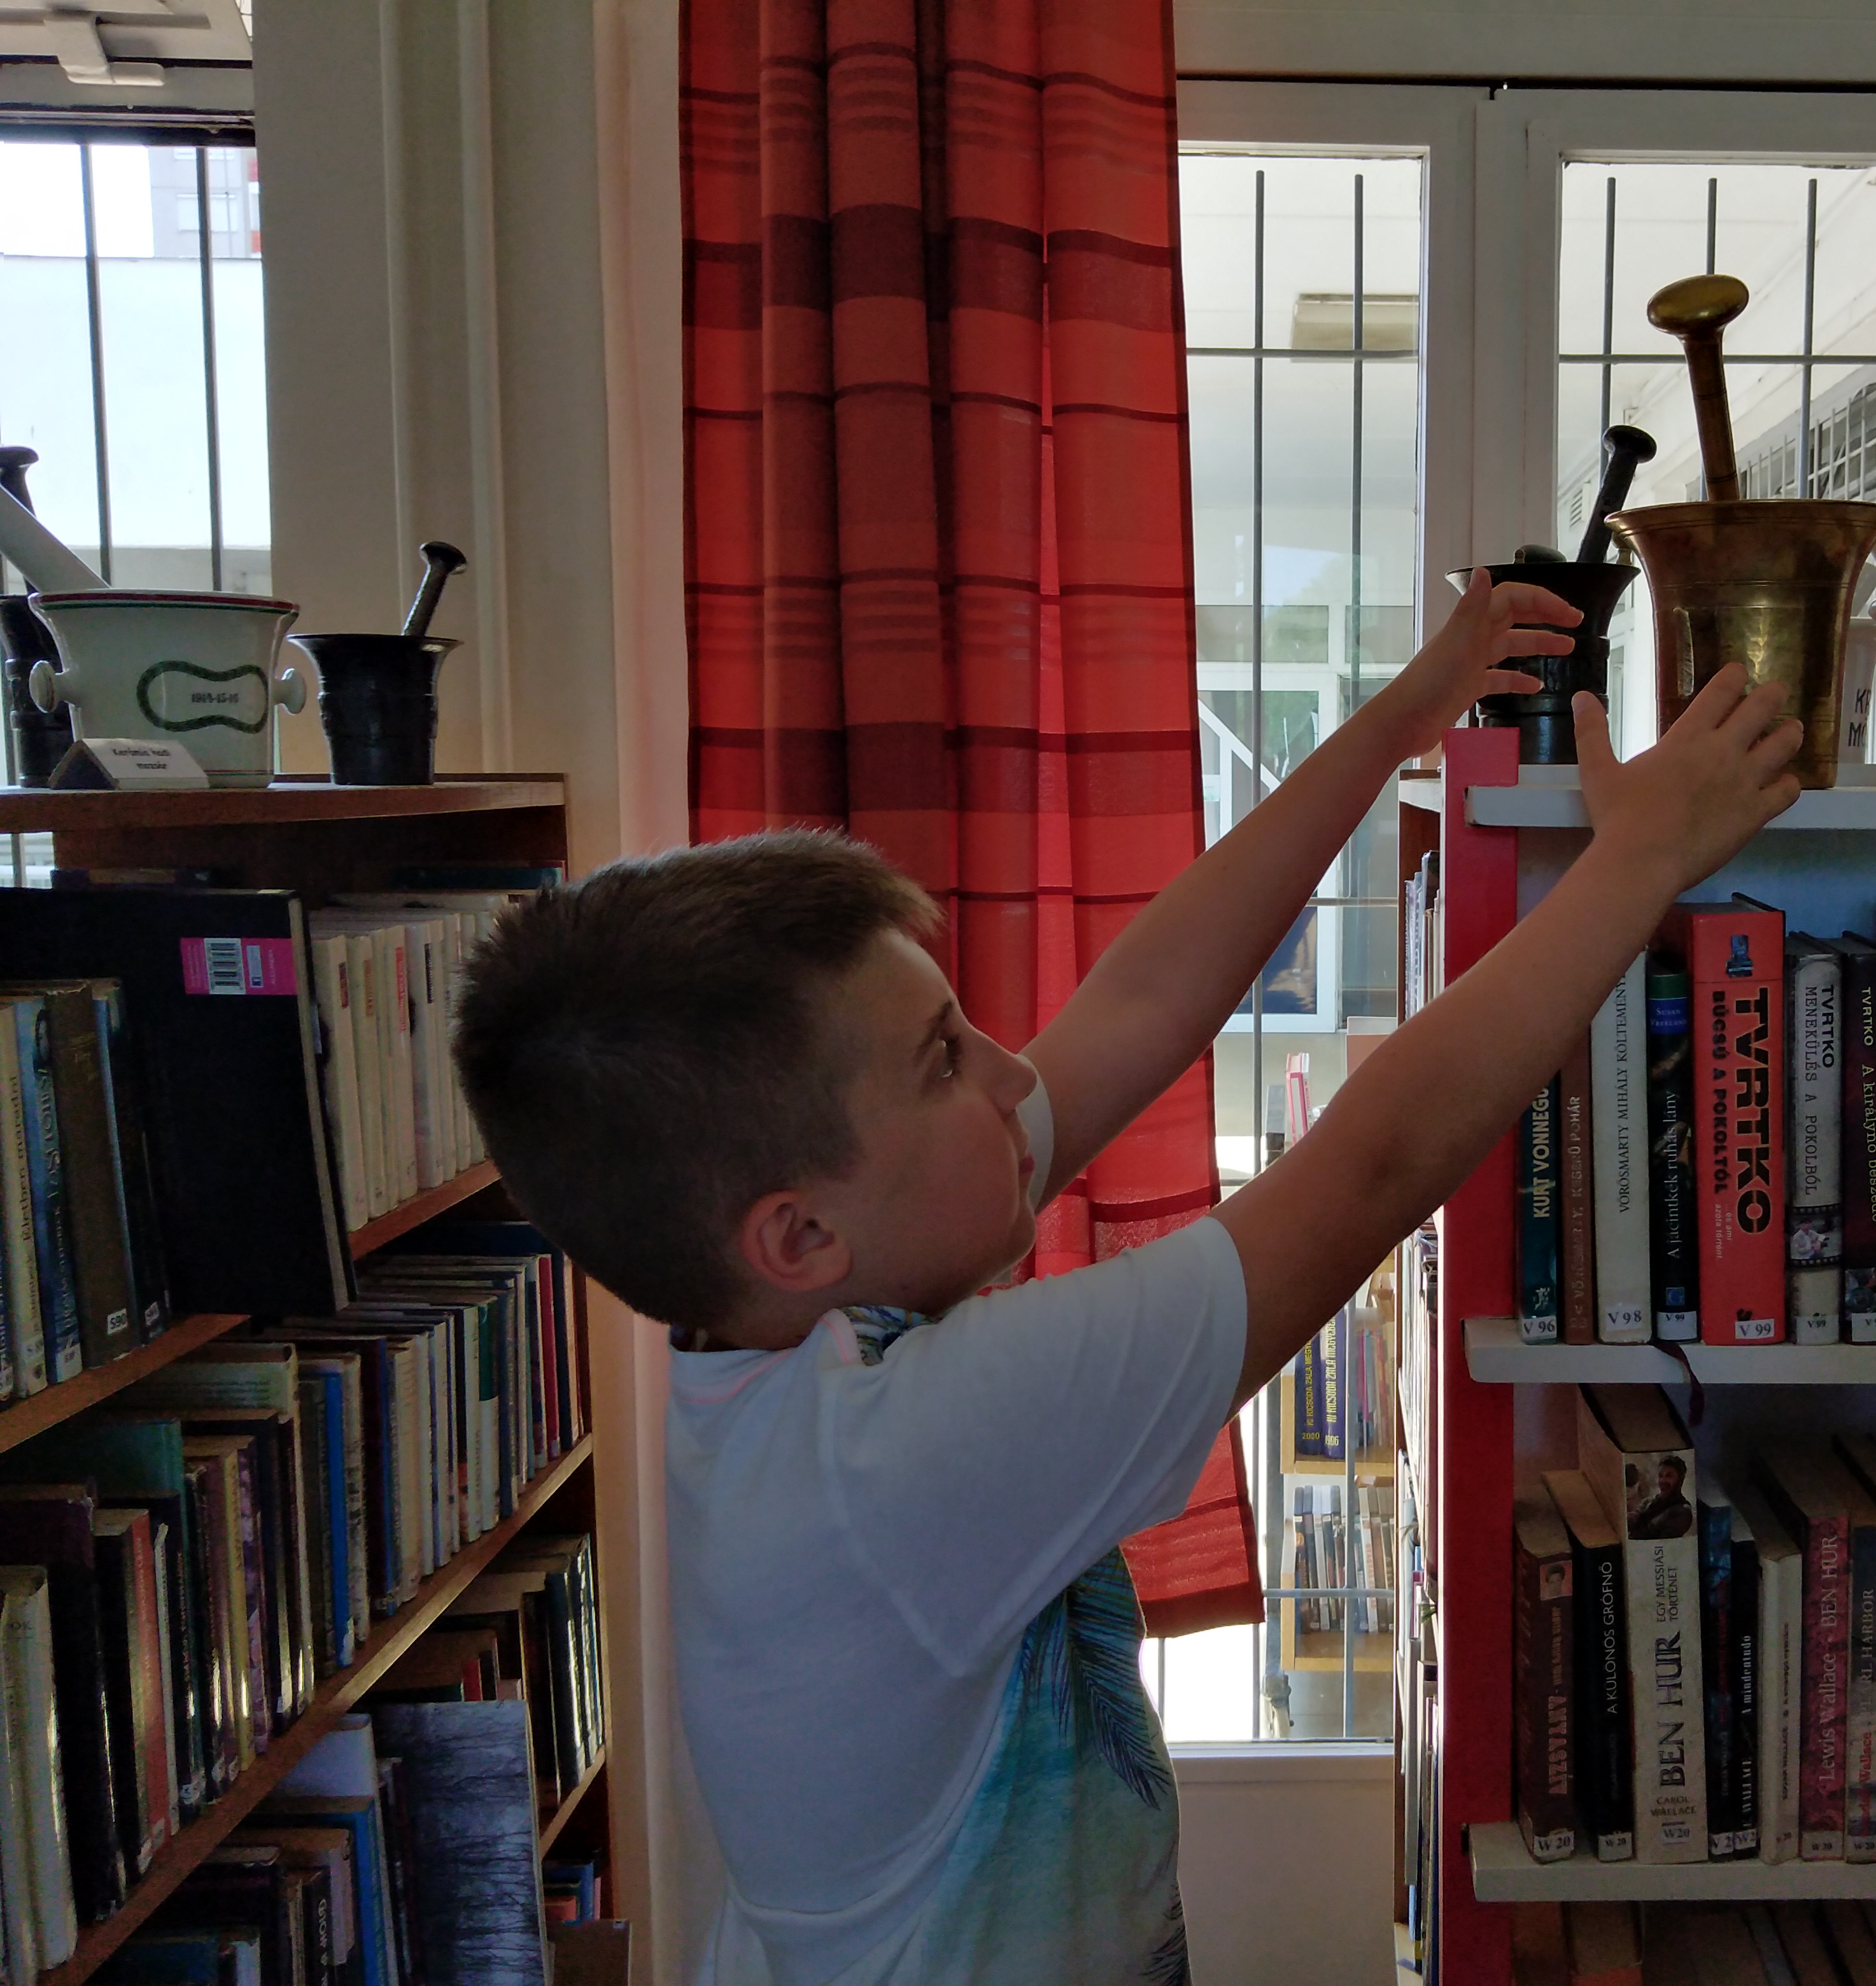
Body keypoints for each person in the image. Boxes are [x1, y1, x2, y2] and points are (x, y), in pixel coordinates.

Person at [452, 573, 1804, 1986]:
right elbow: (1371, 1168)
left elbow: (1147, 1000)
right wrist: (1637, 861)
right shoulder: (900, 1451)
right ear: (795, 1236)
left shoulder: (787, 1320)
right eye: (944, 1060)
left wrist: (1406, 711)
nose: (1011, 1074)